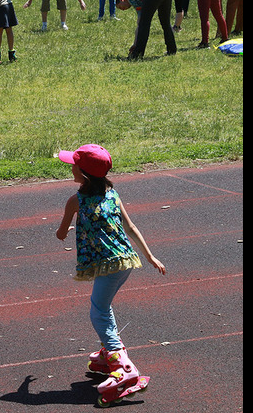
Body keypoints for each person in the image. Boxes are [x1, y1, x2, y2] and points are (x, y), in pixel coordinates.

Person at [54, 143, 165, 406]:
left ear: (83, 173)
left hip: (108, 264)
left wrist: (67, 231)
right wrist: (150, 257)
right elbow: (131, 226)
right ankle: (109, 352)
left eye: (73, 165)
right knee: (103, 306)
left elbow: (60, 234)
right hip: (125, 261)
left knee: (98, 311)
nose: (71, 168)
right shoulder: (112, 193)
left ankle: (124, 368)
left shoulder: (75, 200)